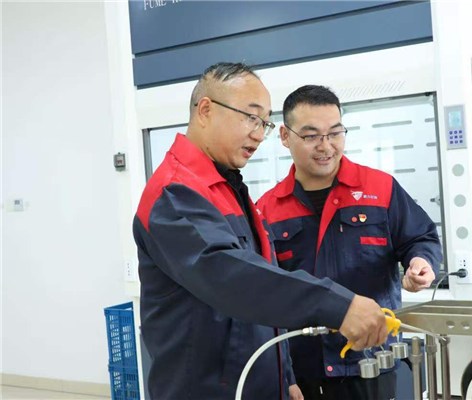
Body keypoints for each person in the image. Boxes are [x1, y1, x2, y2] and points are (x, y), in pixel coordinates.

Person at [132, 63, 391, 400]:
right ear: (206, 110)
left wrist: (285, 376)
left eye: (264, 123)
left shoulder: (227, 188)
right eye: (251, 117)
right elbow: (232, 278)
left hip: (259, 386)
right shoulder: (174, 193)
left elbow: (264, 285)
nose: (258, 134)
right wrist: (338, 305)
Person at [257, 85, 443, 400]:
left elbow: (420, 236)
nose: (326, 146)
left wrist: (421, 262)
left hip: (372, 362)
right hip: (305, 372)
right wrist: (283, 375)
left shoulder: (380, 188)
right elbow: (265, 299)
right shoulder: (267, 209)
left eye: (335, 133)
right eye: (311, 135)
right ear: (285, 136)